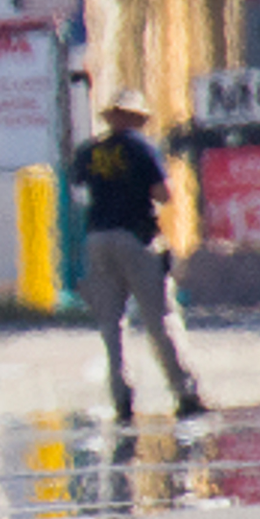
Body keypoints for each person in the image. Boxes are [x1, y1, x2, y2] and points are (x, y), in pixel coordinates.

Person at [70, 88, 208, 426]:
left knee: (111, 324)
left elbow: (78, 185)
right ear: (136, 119)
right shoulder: (140, 147)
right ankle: (184, 392)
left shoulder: (90, 150)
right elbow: (164, 193)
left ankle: (121, 399)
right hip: (136, 237)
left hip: (98, 237)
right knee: (159, 318)